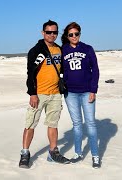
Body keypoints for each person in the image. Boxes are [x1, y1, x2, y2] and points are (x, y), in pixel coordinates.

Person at [19, 20, 71, 168]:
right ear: (43, 33)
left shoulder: (59, 50)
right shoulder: (36, 50)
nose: (52, 35)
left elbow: (63, 71)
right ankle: (25, 153)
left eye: (55, 32)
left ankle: (53, 152)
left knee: (53, 124)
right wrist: (32, 93)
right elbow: (30, 74)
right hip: (39, 94)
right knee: (30, 124)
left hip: (55, 94)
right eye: (49, 32)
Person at [61, 22, 101, 168]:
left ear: (79, 34)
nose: (74, 37)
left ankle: (95, 155)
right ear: (67, 36)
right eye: (71, 34)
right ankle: (78, 153)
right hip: (70, 93)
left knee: (90, 123)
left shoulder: (88, 49)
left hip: (86, 93)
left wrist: (93, 90)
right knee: (77, 124)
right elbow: (57, 68)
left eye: (76, 34)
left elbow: (95, 70)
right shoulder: (63, 50)